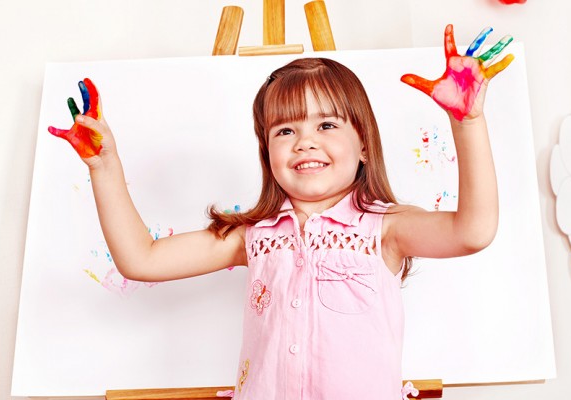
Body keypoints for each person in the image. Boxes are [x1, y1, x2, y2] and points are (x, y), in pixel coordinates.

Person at [49, 24, 513, 400]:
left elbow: (473, 231)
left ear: (365, 145)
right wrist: (104, 165)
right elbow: (141, 259)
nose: (305, 141)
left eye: (327, 124)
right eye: (285, 130)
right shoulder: (252, 236)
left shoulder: (385, 229)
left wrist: (467, 122)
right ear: (267, 152)